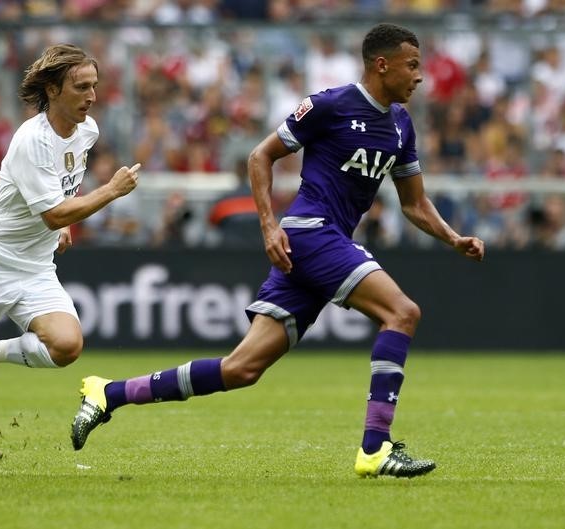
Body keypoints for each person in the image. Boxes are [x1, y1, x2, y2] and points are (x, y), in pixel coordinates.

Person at [70, 23, 484, 478]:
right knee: (402, 313)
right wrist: (269, 225)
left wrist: (452, 237)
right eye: (412, 65)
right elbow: (259, 156)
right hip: (310, 233)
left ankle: (107, 393)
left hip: (325, 243)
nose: (419, 76)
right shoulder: (330, 105)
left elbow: (414, 203)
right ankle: (376, 448)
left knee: (240, 369)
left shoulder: (401, 125)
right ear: (381, 65)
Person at [0, 44, 141, 423]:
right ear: (52, 90)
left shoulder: (87, 131)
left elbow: (60, 193)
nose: (92, 97)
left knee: (66, 345)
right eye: (81, 87)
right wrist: (110, 191)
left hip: (34, 265)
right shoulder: (31, 140)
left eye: (94, 86)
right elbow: (50, 213)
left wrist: (65, 221)